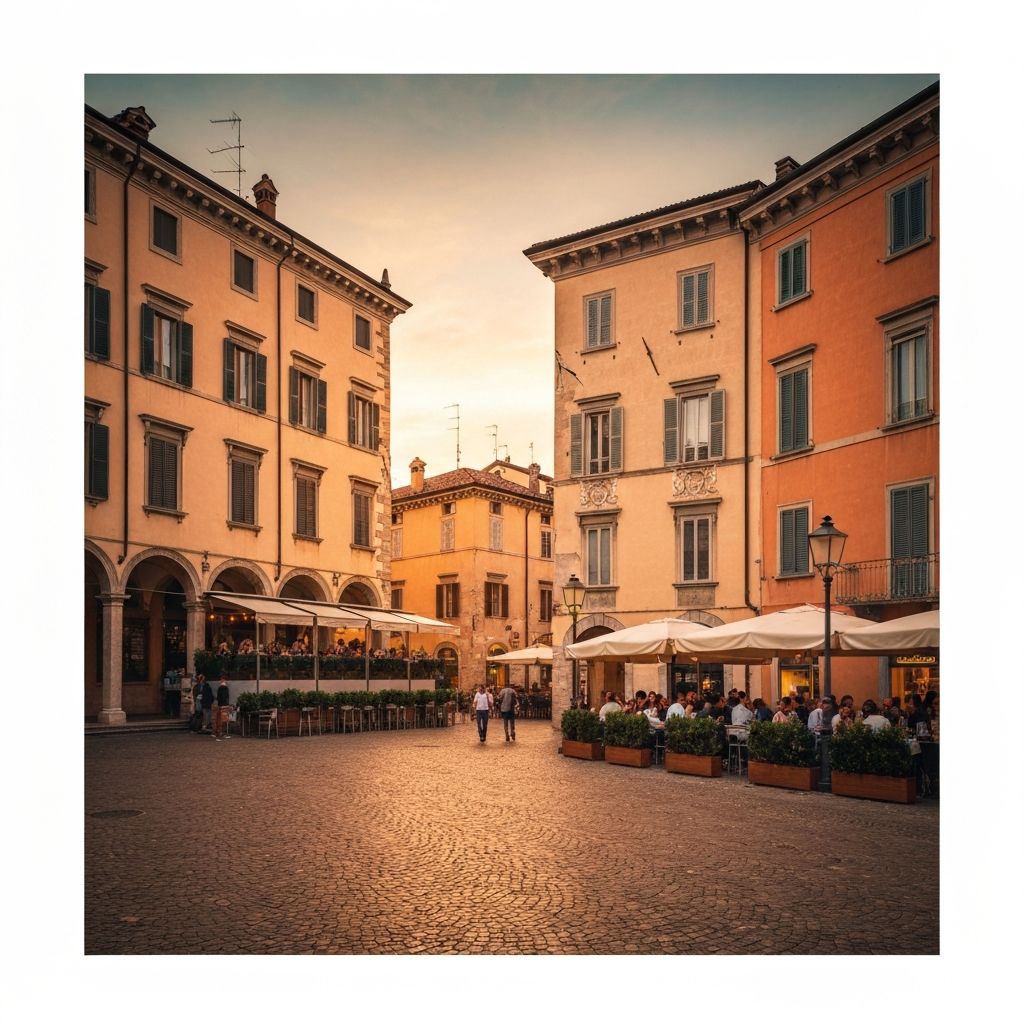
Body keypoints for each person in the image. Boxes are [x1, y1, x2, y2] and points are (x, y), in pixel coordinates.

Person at [213, 675, 231, 739]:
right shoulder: (224, 688)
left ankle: (218, 732)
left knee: (219, 719)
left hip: (221, 705)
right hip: (223, 706)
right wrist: (226, 705)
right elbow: (225, 697)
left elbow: (219, 697)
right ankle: (220, 732)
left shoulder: (220, 688)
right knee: (222, 720)